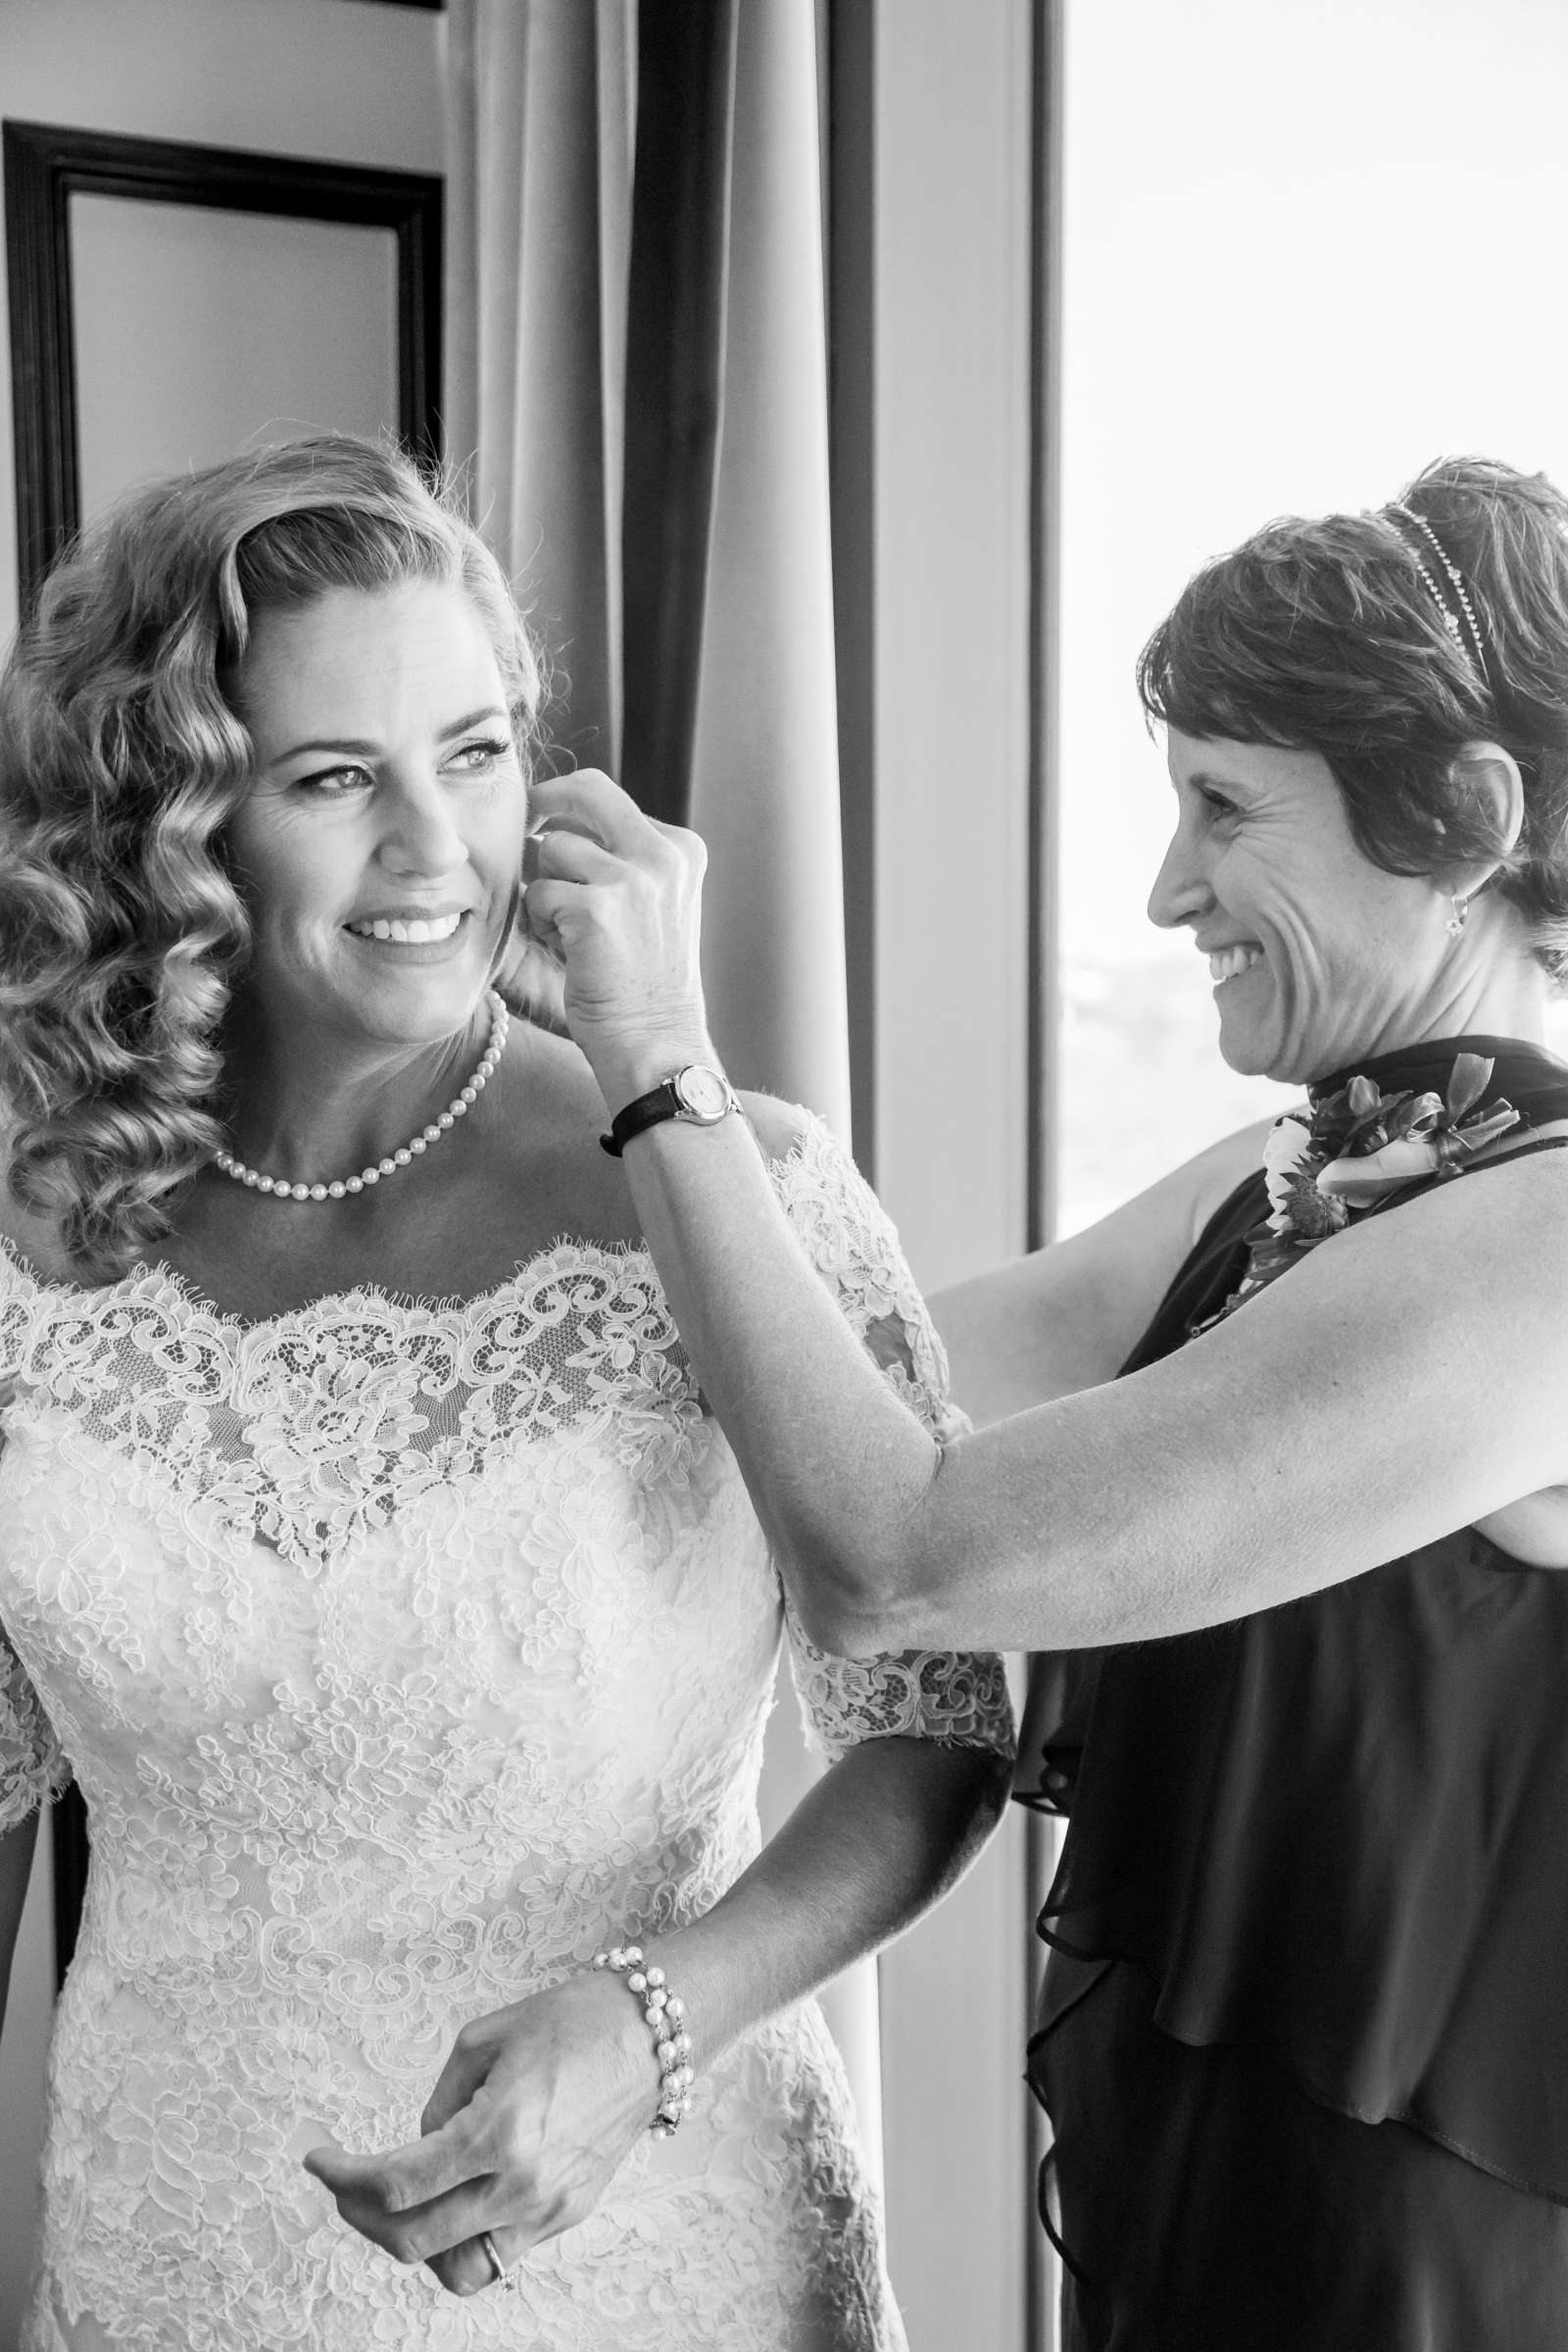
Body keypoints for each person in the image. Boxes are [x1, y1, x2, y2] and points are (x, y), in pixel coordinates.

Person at [519, 457, 1568, 2349]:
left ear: (1470, 819)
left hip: (1415, 2262)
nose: (1172, 889)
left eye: (1227, 812)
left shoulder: (1551, 1241)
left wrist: (663, 1066)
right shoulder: (1292, 1173)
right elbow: (861, 1361)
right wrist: (501, 1125)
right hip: (1233, 2194)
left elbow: (900, 1559)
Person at [0, 433, 1014, 2352]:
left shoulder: (736, 1189)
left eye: (473, 756)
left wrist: (658, 2022)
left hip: (659, 2256)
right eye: (330, 779)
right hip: (169, 2254)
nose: (433, 852)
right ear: (171, 820)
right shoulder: (21, 1244)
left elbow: (935, 1727)